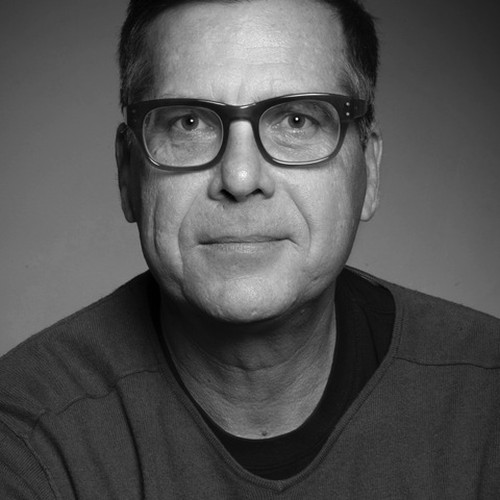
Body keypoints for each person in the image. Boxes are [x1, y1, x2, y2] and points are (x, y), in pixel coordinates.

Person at [0, 0, 498, 497]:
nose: (240, 178)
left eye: (297, 120)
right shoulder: (25, 434)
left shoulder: (487, 396)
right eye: (188, 123)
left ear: (368, 171)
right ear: (128, 175)